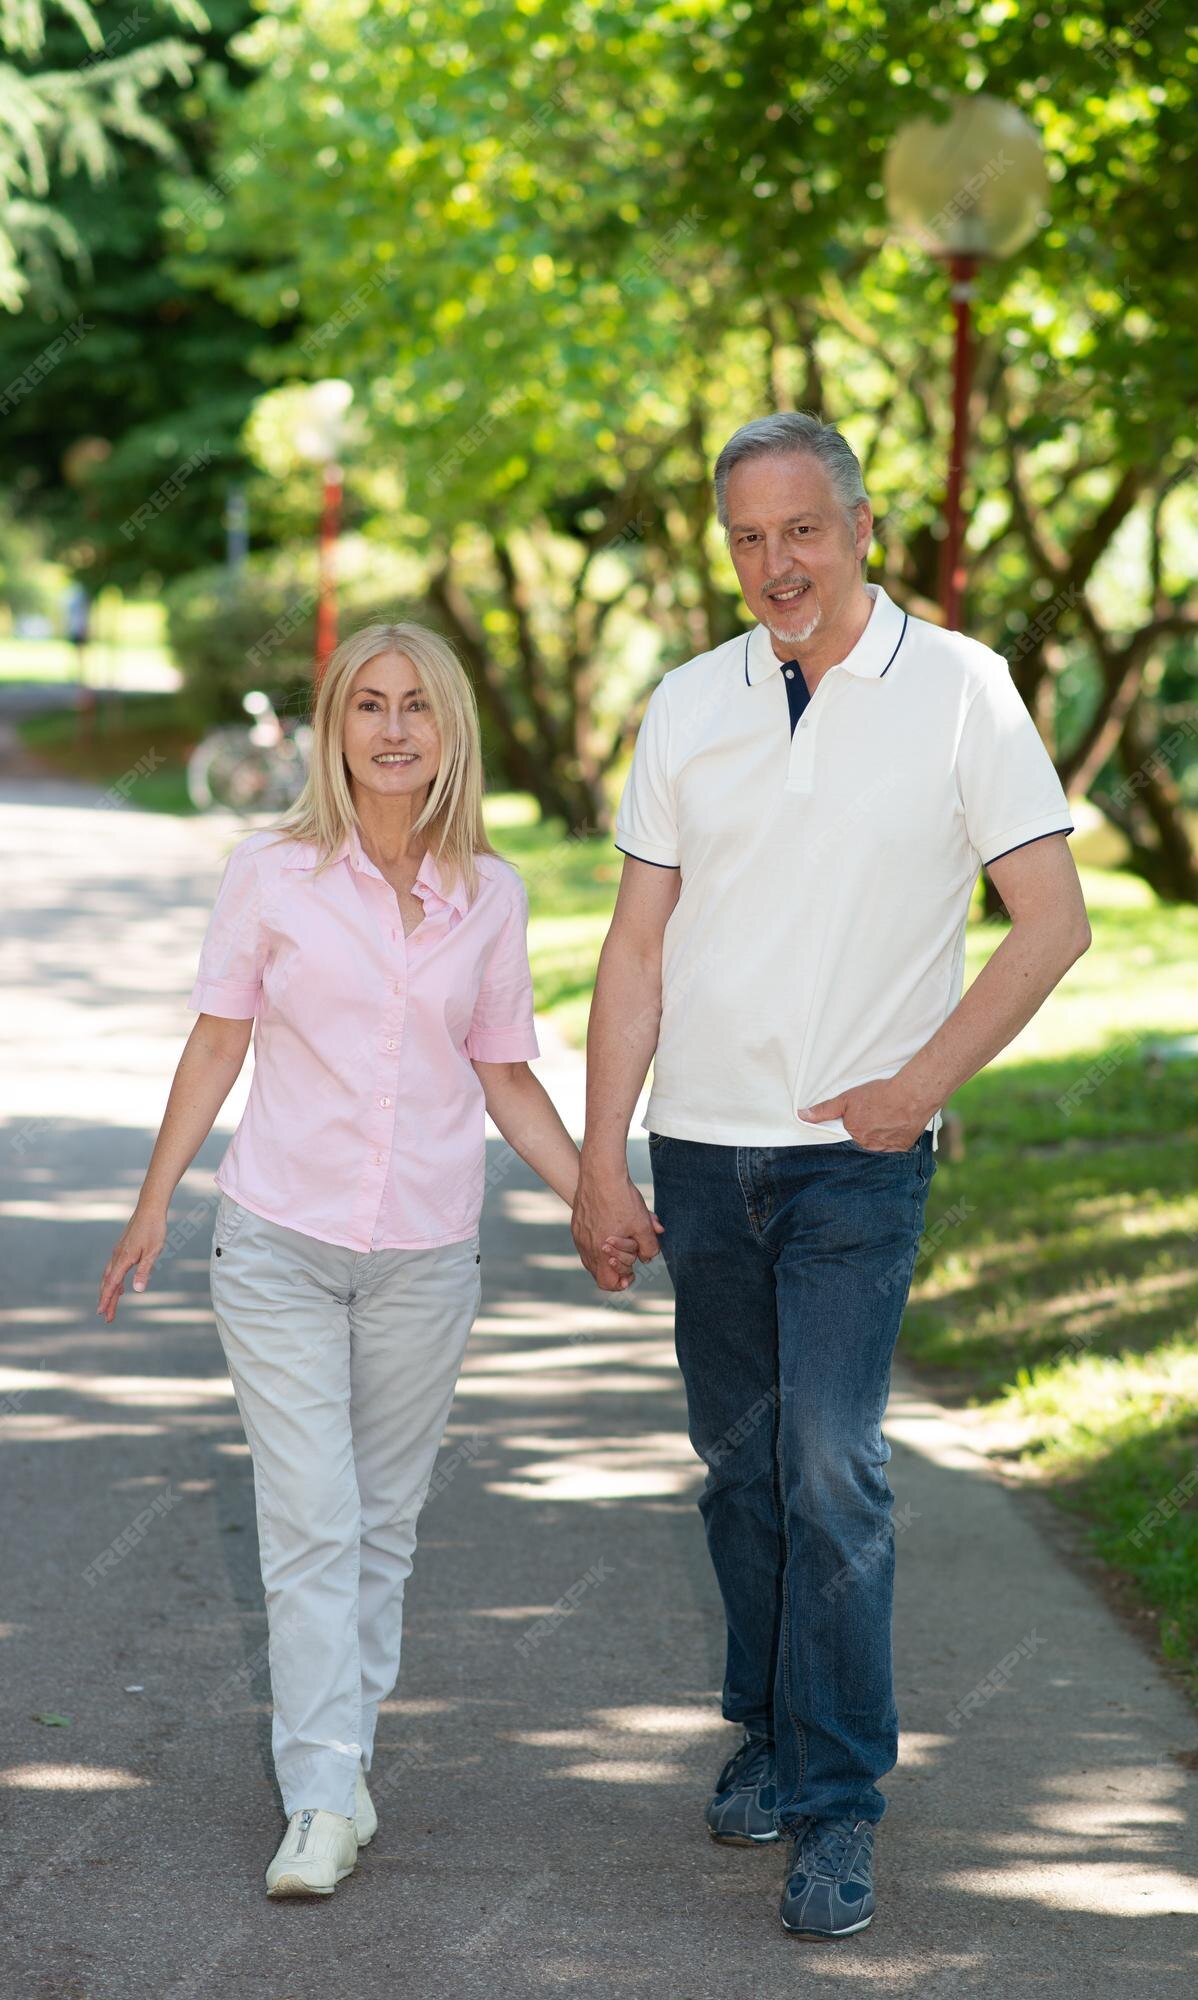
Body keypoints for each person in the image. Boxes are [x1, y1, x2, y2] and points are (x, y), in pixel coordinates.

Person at [574, 413, 1091, 1941]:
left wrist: (919, 1089)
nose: (773, 564)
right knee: (742, 1467)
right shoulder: (688, 702)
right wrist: (603, 1158)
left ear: (861, 527)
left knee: (832, 1466)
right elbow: (636, 944)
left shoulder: (961, 692)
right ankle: (766, 1728)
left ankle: (839, 1804)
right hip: (704, 1146)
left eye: (801, 530)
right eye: (745, 537)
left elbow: (1049, 921)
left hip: (857, 1165)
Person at [96, 620, 644, 1899]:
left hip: (423, 1253)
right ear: (336, 727)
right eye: (367, 706)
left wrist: (597, 1201)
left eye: (417, 708)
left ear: (450, 730)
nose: (393, 729)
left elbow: (505, 1076)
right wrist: (152, 1200)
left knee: (382, 1529)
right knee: (311, 1521)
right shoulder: (270, 872)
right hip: (278, 1238)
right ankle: (320, 1796)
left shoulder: (490, 896)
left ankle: (340, 1764)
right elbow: (217, 1043)